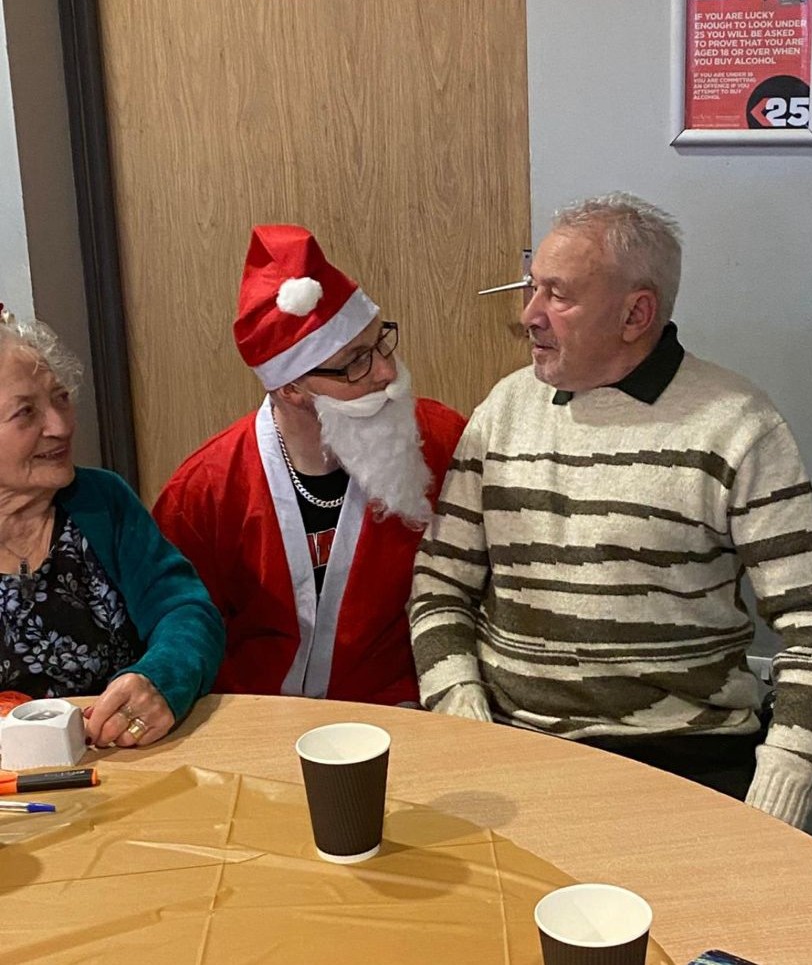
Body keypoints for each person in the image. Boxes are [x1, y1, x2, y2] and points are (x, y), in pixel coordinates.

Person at [410, 192, 812, 828]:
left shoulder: (737, 427)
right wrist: (462, 712)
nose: (528, 315)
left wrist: (783, 780)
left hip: (683, 758)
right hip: (514, 743)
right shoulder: (503, 409)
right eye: (532, 287)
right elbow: (439, 586)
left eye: (557, 296)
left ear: (635, 314)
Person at [154, 224, 465, 705]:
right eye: (356, 361)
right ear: (291, 388)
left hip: (402, 714)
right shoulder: (206, 490)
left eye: (381, 342)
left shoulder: (442, 441)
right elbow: (175, 624)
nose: (387, 372)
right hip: (254, 717)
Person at [0, 307, 224, 747]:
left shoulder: (101, 500)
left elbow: (185, 611)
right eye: (26, 412)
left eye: (60, 397)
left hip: (127, 758)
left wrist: (160, 679)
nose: (60, 426)